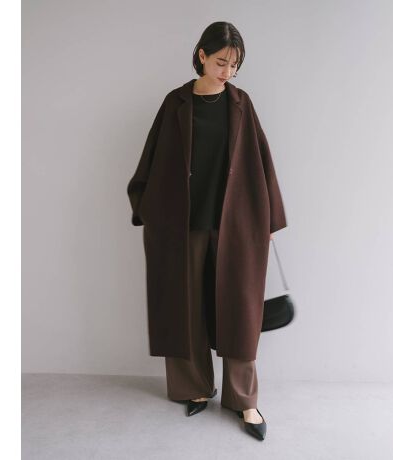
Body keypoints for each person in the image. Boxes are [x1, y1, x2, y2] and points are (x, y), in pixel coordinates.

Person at [127, 21, 287, 441]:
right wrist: (146, 208)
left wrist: (269, 219)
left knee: (240, 312)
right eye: (220, 62)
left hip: (235, 224)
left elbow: (261, 159)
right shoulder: (176, 103)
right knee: (185, 307)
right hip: (181, 225)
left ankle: (244, 400)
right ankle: (194, 387)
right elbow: (153, 156)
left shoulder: (241, 103)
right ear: (201, 55)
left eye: (235, 65)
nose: (227, 72)